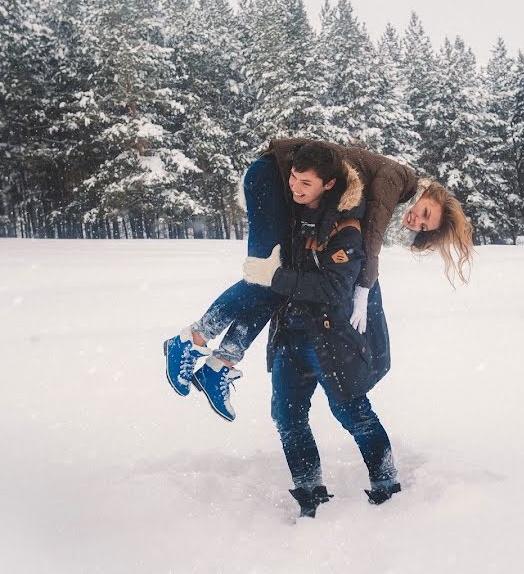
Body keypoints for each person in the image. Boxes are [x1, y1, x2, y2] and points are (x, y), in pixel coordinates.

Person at [163, 138, 474, 422]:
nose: (416, 220)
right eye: (426, 213)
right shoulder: (399, 178)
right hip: (272, 179)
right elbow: (373, 234)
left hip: (289, 192)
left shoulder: (400, 190)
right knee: (262, 276)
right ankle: (190, 340)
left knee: (276, 286)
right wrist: (364, 286)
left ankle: (221, 365)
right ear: (433, 194)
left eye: (422, 225)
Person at [242, 142, 399, 516]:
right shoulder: (290, 213)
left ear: (328, 184)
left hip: (328, 338)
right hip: (289, 336)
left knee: (353, 413)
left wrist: (277, 277)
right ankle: (310, 491)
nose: (295, 188)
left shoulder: (347, 227)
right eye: (293, 179)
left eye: (305, 183)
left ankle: (387, 484)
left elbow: (333, 289)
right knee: (287, 416)